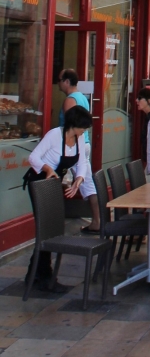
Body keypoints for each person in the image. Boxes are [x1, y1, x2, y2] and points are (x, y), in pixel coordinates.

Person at [25, 105, 93, 290]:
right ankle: (45, 276)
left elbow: (81, 163)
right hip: (40, 182)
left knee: (51, 230)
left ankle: (35, 274)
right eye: (83, 127)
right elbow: (33, 157)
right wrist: (48, 169)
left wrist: (78, 180)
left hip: (55, 184)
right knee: (48, 228)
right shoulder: (54, 135)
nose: (84, 131)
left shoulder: (78, 139)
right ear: (74, 125)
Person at [58, 68, 100, 233]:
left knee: (60, 181)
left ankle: (54, 222)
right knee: (88, 183)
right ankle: (97, 220)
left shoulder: (70, 100)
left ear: (66, 81)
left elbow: (70, 127)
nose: (58, 83)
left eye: (59, 80)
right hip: (84, 144)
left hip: (73, 146)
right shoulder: (82, 97)